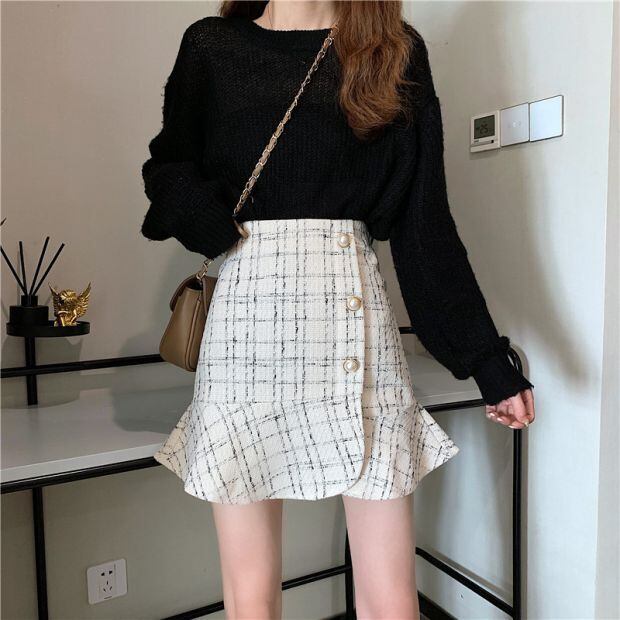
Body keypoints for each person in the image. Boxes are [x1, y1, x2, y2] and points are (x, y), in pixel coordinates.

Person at [139, 1, 536, 618]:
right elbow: (168, 165)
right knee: (250, 599)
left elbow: (424, 225)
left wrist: (488, 361)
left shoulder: (394, 50)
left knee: (392, 603)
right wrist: (199, 213)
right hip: (246, 331)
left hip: (358, 328)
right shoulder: (212, 47)